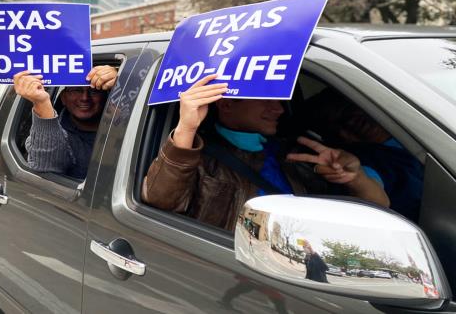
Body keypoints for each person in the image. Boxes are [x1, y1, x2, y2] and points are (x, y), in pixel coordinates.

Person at [141, 74, 389, 231]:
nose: (279, 109)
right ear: (227, 104)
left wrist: (355, 179)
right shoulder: (198, 156)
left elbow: (380, 208)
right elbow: (159, 199)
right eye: (268, 99)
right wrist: (186, 128)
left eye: (281, 100)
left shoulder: (302, 152)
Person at [302, 89, 424, 221]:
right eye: (340, 123)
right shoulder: (359, 160)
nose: (351, 122)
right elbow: (376, 201)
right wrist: (357, 179)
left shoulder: (418, 131)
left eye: (349, 110)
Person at [13, 65, 118, 180]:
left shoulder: (124, 125)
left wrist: (120, 84)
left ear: (106, 97)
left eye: (94, 91)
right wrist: (41, 103)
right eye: (76, 90)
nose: (84, 98)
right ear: (63, 98)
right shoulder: (49, 135)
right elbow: (46, 167)